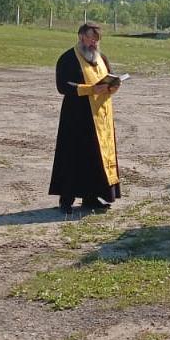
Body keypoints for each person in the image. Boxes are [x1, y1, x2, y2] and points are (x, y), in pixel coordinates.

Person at [49, 23, 122, 214]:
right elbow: (62, 87)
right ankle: (66, 200)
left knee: (95, 158)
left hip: (100, 117)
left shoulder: (101, 58)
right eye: (91, 38)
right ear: (81, 36)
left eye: (97, 39)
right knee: (72, 158)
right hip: (77, 117)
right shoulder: (68, 59)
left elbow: (110, 78)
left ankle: (92, 197)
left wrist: (113, 86)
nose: (94, 42)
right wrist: (89, 89)